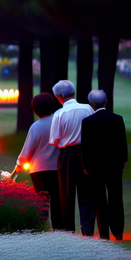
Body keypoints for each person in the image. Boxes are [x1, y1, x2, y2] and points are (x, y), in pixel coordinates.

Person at [47, 79, 97, 236]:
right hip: (86, 153)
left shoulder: (60, 114)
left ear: (60, 96)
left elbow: (54, 139)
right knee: (87, 191)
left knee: (66, 194)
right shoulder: (88, 108)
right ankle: (87, 229)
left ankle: (68, 230)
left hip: (67, 154)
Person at [80, 90, 128, 240]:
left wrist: (85, 165)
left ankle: (104, 233)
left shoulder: (87, 122)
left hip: (95, 167)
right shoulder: (117, 119)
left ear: (91, 104)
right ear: (106, 102)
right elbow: (122, 142)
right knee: (115, 197)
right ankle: (118, 231)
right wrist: (123, 160)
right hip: (114, 165)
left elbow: (85, 146)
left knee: (99, 198)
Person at [10, 92, 62, 229]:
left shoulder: (36, 127)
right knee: (58, 201)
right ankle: (60, 231)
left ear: (35, 109)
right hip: (58, 167)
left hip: (39, 170)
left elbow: (27, 150)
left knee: (42, 200)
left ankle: (42, 228)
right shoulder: (59, 122)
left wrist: (19, 165)